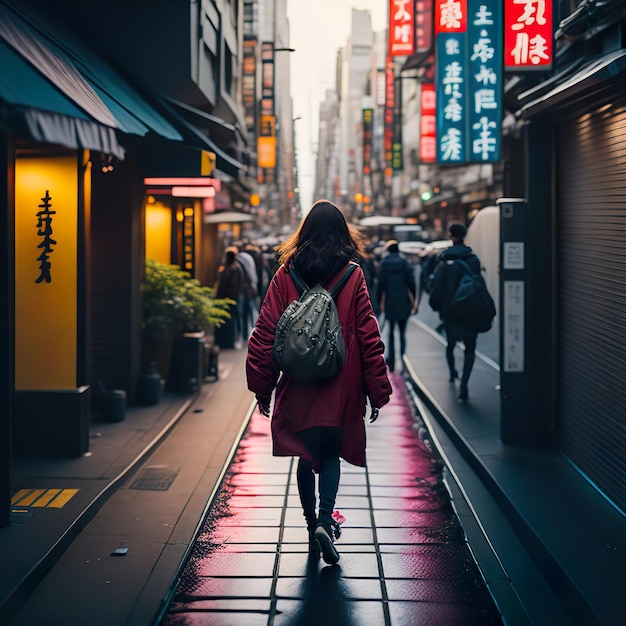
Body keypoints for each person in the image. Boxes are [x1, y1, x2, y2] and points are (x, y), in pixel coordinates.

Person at [246, 199, 392, 565]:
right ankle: (327, 519)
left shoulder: (285, 273)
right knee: (330, 453)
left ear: (304, 231)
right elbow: (369, 334)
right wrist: (377, 390)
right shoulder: (353, 274)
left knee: (304, 452)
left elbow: (265, 331)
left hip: (298, 380)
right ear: (343, 233)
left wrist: (262, 386)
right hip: (340, 383)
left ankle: (312, 525)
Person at [429, 223, 482, 402]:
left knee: (450, 344)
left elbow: (436, 288)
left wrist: (438, 307)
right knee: (470, 348)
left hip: (450, 311)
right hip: (470, 311)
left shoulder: (444, 260)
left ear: (451, 236)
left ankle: (453, 373)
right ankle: (464, 384)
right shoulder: (473, 259)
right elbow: (479, 286)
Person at [376, 240, 417, 372]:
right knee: (402, 333)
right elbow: (411, 282)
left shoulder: (384, 264)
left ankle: (392, 360)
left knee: (391, 333)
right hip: (403, 302)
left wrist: (378, 302)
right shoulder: (404, 263)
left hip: (390, 303)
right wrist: (414, 298)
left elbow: (380, 285)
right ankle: (403, 357)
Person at [214, 247, 244, 349]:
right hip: (231, 298)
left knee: (231, 321)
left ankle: (229, 341)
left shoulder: (232, 268)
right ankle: (230, 340)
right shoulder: (234, 267)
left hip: (229, 299)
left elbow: (232, 286)